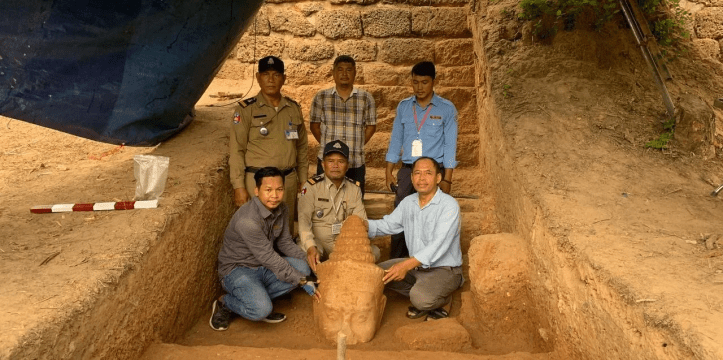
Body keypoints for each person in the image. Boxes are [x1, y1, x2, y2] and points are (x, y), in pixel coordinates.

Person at [210, 167, 320, 331]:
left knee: (302, 268)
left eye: (279, 189)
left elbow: (285, 243)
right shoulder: (248, 220)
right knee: (261, 309)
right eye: (268, 190)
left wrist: (314, 265)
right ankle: (226, 302)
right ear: (256, 191)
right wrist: (302, 280)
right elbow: (269, 257)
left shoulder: (282, 209)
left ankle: (256, 296)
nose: (274, 196)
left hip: (263, 267)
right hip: (238, 270)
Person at [367, 157, 463, 321]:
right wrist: (361, 225)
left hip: (444, 269)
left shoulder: (449, 205)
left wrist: (404, 266)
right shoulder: (408, 202)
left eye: (428, 173)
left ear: (438, 178)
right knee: (373, 275)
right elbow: (388, 225)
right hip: (416, 267)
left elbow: (437, 246)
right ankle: (426, 289)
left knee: (420, 299)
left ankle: (444, 298)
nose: (422, 178)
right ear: (411, 178)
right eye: (417, 173)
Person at [385, 61, 458, 259]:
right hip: (408, 171)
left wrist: (447, 178)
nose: (419, 87)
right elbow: (396, 139)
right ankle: (397, 264)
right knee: (401, 217)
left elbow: (450, 146)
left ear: (434, 81)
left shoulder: (446, 109)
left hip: (434, 172)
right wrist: (388, 170)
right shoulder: (404, 107)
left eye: (424, 82)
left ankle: (432, 264)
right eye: (415, 82)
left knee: (433, 218)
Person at [229, 55, 308, 228]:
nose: (271, 80)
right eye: (266, 74)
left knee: (284, 232)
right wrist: (238, 186)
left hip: (287, 181)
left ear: (284, 78)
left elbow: (302, 148)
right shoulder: (246, 109)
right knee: (258, 232)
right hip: (258, 183)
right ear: (258, 78)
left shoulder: (293, 108)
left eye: (276, 75)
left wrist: (303, 180)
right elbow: (237, 150)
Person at [298, 140, 380, 273]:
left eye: (341, 161)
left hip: (343, 246)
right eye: (330, 161)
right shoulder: (311, 187)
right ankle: (340, 270)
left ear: (347, 166)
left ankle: (333, 271)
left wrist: (352, 247)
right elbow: (304, 224)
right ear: (323, 165)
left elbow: (361, 222)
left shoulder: (354, 188)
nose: (335, 165)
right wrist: (310, 247)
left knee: (374, 252)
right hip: (318, 244)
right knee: (305, 253)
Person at [309, 55, 376, 195]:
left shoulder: (366, 98)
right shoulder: (321, 97)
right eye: (340, 70)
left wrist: (357, 144)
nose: (344, 74)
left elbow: (371, 126)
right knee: (324, 203)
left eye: (348, 70)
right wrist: (327, 145)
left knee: (354, 205)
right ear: (333, 73)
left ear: (355, 73)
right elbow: (314, 126)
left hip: (355, 161)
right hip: (328, 162)